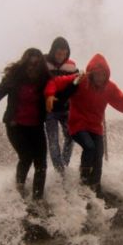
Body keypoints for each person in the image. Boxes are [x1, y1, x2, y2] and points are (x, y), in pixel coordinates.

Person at [45, 53, 123, 197]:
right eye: (97, 75)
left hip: (95, 127)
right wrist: (50, 94)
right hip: (78, 124)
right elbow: (55, 82)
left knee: (98, 156)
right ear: (91, 73)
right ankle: (83, 181)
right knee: (89, 147)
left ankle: (95, 187)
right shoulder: (81, 80)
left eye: (103, 75)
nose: (100, 78)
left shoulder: (109, 87)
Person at [0, 48, 50, 202]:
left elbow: (58, 88)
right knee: (26, 157)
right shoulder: (15, 77)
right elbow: (0, 90)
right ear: (25, 63)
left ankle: (37, 199)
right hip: (16, 126)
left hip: (36, 126)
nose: (33, 67)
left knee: (41, 163)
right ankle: (19, 191)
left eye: (36, 64)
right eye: (30, 64)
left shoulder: (44, 79)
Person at [44, 37, 78, 174]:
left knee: (71, 136)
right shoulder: (44, 64)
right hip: (50, 109)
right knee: (53, 141)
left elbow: (77, 86)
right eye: (58, 54)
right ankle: (60, 170)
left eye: (64, 54)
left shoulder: (71, 66)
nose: (61, 57)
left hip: (66, 108)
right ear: (53, 52)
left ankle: (64, 163)